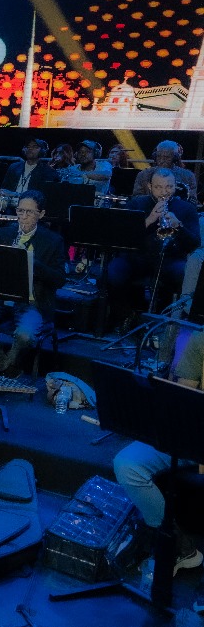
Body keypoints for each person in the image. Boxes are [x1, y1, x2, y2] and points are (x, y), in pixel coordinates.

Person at [114, 330, 204, 577]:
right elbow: (183, 404)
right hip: (195, 439)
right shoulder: (200, 341)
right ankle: (178, 546)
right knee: (127, 464)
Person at [0, 190, 67, 375]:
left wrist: (32, 263)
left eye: (29, 212)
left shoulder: (53, 241)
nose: (23, 217)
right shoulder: (3, 234)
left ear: (41, 214)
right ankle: (4, 364)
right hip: (2, 301)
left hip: (33, 304)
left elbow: (60, 279)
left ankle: (7, 366)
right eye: (20, 211)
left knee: (25, 335)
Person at [109, 168, 201, 320]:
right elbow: (123, 238)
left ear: (175, 185)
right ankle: (127, 316)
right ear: (150, 186)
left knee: (185, 275)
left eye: (169, 186)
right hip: (137, 258)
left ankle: (168, 319)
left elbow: (194, 243)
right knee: (113, 273)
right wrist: (150, 219)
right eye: (158, 187)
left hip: (170, 260)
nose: (164, 192)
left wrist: (178, 226)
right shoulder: (136, 204)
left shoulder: (187, 208)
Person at [0, 139, 59, 211]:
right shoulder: (14, 167)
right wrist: (0, 194)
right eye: (28, 147)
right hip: (10, 207)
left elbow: (40, 197)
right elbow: (5, 188)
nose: (30, 149)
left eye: (35, 147)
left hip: (31, 209)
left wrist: (15, 194)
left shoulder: (48, 172)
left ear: (42, 151)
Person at [133, 140, 198, 206]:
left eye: (166, 157)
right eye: (159, 156)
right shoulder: (143, 175)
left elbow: (193, 202)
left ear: (174, 158)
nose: (161, 160)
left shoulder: (188, 176)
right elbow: (136, 199)